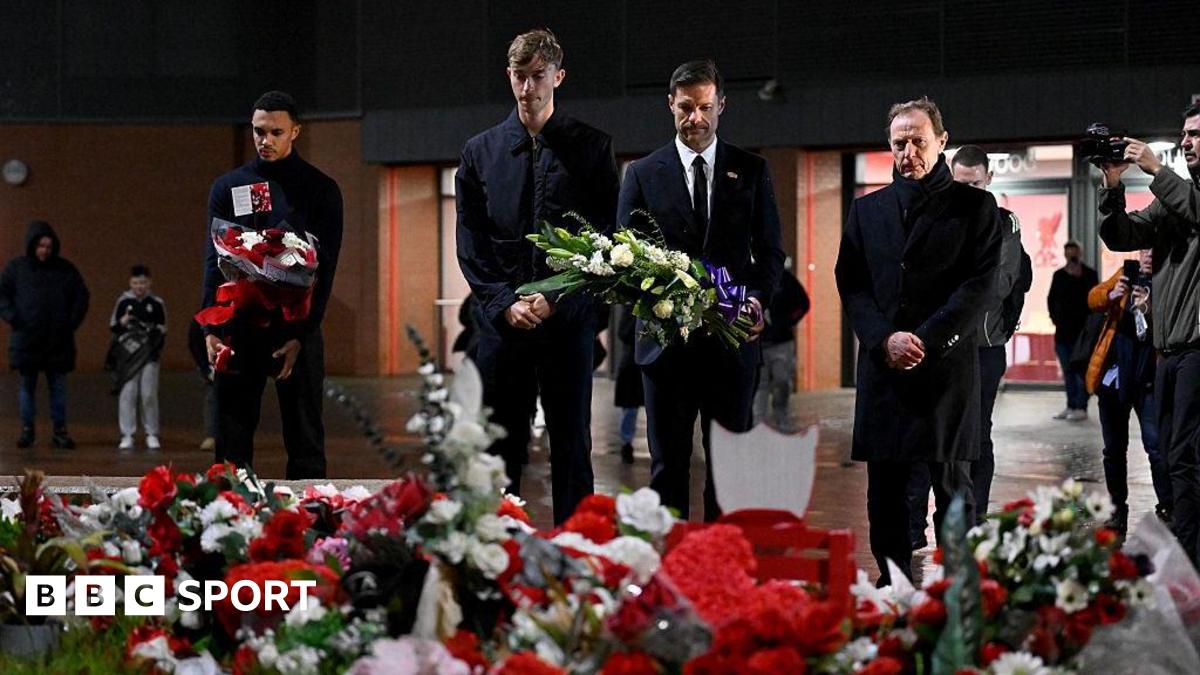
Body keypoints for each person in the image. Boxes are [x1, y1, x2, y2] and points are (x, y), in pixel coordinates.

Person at [455, 29, 619, 524]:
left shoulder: (592, 148)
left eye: (538, 76)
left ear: (558, 77)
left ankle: (577, 549)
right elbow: (471, 244)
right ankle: (498, 550)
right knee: (498, 451)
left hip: (567, 327)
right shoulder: (479, 152)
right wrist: (503, 302)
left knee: (572, 446)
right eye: (519, 77)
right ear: (509, 77)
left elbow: (607, 238)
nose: (528, 88)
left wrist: (559, 299)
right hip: (502, 328)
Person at [835, 97, 1000, 584]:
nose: (908, 152)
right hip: (885, 370)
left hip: (945, 372)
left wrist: (925, 340)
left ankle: (958, 586)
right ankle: (891, 584)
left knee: (952, 485)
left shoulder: (976, 207)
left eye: (918, 141)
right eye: (899, 143)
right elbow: (853, 284)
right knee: (885, 489)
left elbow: (979, 286)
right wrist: (884, 339)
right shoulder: (867, 211)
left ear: (941, 141)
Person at [617, 59, 785, 521]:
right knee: (667, 468)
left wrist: (756, 300)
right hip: (665, 349)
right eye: (686, 108)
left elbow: (770, 252)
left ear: (721, 106)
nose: (696, 118)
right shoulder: (642, 173)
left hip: (731, 347)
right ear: (670, 105)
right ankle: (669, 559)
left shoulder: (751, 169)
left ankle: (721, 557)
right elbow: (625, 256)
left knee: (729, 471)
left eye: (705, 107)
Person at [200, 90, 343, 479]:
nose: (265, 140)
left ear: (295, 131)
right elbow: (214, 260)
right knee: (231, 442)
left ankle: (311, 514)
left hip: (295, 328)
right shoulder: (229, 187)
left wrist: (302, 334)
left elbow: (326, 268)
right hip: (240, 324)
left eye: (276, 132)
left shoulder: (320, 189)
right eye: (258, 131)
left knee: (305, 440)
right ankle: (229, 512)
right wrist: (211, 327)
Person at [908, 144, 1031, 545]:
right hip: (936, 344)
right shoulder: (936, 215)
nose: (967, 192)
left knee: (975, 435)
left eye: (975, 184)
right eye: (960, 183)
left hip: (982, 345)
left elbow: (1000, 283)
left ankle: (972, 521)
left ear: (988, 179)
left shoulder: (1004, 223)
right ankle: (914, 527)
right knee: (924, 434)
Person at [1098, 103, 1200, 564]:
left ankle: (1189, 557)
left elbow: (1195, 208)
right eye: (1184, 134)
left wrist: (1157, 169)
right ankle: (1186, 551)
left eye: (1195, 134)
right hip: (1169, 352)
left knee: (1183, 455)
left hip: (1197, 349)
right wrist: (1112, 184)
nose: (1186, 141)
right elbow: (1121, 235)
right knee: (1178, 457)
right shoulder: (1171, 202)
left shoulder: (1183, 196)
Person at [1085, 250, 1171, 533]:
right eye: (1145, 251)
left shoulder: (1167, 279)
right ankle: (1117, 510)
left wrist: (1150, 307)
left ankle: (1167, 507)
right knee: (1113, 449)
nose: (1148, 256)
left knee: (1156, 446)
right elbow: (1093, 298)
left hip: (1147, 378)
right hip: (1114, 377)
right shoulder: (1125, 274)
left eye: (1153, 251)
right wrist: (1114, 294)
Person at [0, 220, 89, 449]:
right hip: (27, 340)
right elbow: (2, 294)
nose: (45, 251)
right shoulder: (16, 269)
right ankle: (27, 431)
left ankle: (60, 432)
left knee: (57, 389)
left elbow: (81, 297)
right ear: (32, 245)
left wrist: (70, 324)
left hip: (57, 342)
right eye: (41, 246)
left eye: (48, 247)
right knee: (27, 388)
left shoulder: (66, 270)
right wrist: (13, 317)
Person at [109, 264, 166, 450]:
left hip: (149, 355)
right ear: (130, 283)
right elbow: (114, 327)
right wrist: (123, 321)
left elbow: (162, 329)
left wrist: (152, 346)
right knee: (128, 394)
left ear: (149, 283)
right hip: (128, 356)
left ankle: (151, 433)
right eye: (135, 283)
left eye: (142, 283)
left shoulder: (156, 303)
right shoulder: (123, 302)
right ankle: (127, 434)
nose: (139, 286)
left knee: (148, 394)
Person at [752, 261, 810, 431]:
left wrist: (787, 322)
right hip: (759, 343)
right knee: (760, 385)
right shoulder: (751, 277)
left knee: (782, 380)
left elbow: (803, 303)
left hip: (782, 342)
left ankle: (781, 415)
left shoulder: (785, 278)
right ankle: (758, 423)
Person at [1047, 241, 1098, 421]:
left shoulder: (1089, 275)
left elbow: (1095, 300)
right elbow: (1051, 299)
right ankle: (1070, 405)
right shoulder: (1059, 275)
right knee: (1068, 371)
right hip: (1063, 333)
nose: (1071, 257)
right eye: (1068, 253)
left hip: (1082, 334)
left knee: (1080, 371)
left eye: (1074, 253)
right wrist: (1055, 319)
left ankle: (1081, 406)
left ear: (1079, 253)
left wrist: (1079, 278)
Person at [613, 305, 642, 464]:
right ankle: (626, 443)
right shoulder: (631, 306)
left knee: (631, 408)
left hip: (634, 360)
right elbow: (623, 332)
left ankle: (627, 443)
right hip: (632, 360)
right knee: (630, 408)